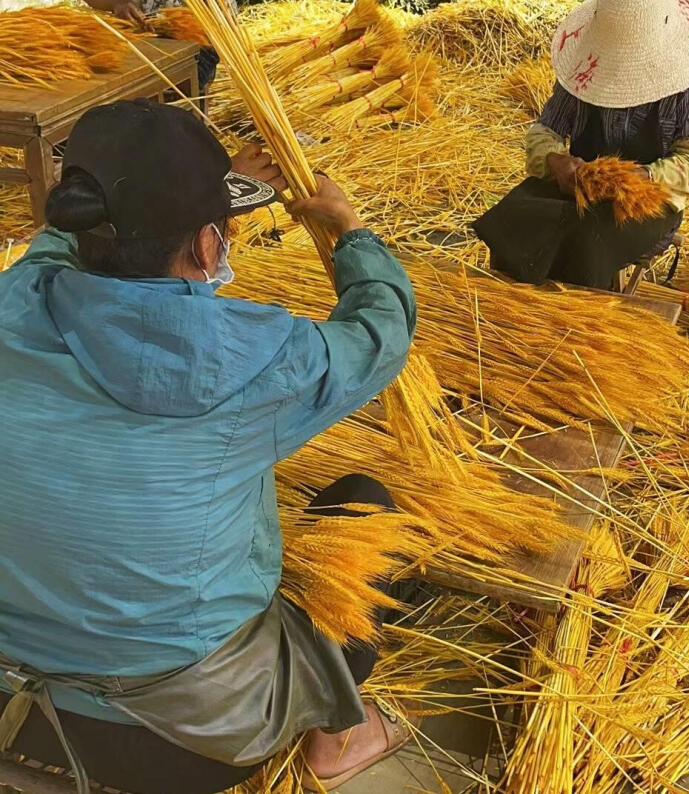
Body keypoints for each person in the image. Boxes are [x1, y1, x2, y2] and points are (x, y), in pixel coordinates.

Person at [0, 99, 417, 794]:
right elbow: (381, 334)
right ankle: (337, 739)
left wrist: (210, 199)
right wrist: (351, 231)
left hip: (14, 711)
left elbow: (56, 245)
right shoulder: (258, 359)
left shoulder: (13, 303)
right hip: (186, 742)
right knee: (369, 514)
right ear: (206, 245)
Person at [473, 0, 689, 290]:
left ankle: (583, 318)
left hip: (645, 202)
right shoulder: (584, 67)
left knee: (587, 237)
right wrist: (555, 161)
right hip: (577, 186)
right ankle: (508, 300)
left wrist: (640, 177)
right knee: (515, 214)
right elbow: (544, 131)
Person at [75, 0, 230, 92]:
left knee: (186, 99)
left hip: (195, 36)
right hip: (130, 38)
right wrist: (116, 1)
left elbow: (218, 16)